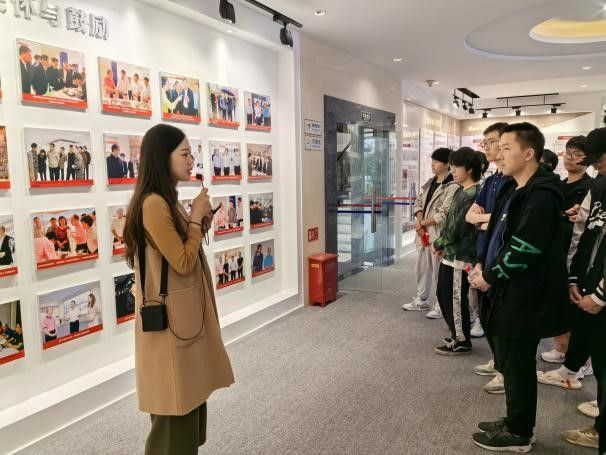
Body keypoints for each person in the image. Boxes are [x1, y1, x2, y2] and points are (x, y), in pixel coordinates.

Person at [122, 123, 234, 454]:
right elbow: (183, 261)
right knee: (175, 411)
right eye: (184, 154)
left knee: (187, 406)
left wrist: (199, 222)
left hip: (183, 319)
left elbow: (181, 250)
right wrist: (196, 217)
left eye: (191, 154)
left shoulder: (165, 200)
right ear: (162, 157)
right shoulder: (153, 204)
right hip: (172, 323)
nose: (191, 160)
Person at [469, 123, 569, 452]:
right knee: (512, 363)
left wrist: (490, 276)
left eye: (506, 147)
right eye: (498, 147)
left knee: (518, 363)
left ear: (528, 153)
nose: (498, 154)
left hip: (524, 295)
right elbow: (496, 235)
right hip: (506, 290)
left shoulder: (542, 195)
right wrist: (481, 263)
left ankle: (519, 432)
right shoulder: (512, 188)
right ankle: (516, 420)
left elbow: (526, 247)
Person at [545, 128, 606, 452]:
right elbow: (583, 231)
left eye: (597, 158)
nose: (594, 165)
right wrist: (573, 278)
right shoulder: (598, 184)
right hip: (587, 280)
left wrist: (600, 295)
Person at [540, 136, 593, 366]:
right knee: (558, 300)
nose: (570, 158)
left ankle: (579, 359)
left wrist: (561, 217)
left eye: (576, 154)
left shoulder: (591, 187)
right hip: (556, 248)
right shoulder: (559, 184)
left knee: (574, 302)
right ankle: (561, 347)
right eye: (567, 152)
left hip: (577, 251)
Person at [466, 122, 510, 393]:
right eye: (486, 142)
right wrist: (484, 220)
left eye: (493, 141)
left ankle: (506, 370)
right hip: (484, 253)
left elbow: (506, 220)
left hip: (502, 258)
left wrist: (484, 220)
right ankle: (498, 360)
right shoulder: (492, 180)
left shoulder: (514, 182)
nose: (488, 147)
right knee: (486, 312)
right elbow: (470, 215)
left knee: (502, 317)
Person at [432, 148, 482, 355]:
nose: (452, 171)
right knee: (443, 294)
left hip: (461, 256)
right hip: (451, 253)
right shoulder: (461, 190)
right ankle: (457, 334)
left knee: (455, 298)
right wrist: (443, 245)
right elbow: (450, 223)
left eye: (456, 167)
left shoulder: (474, 193)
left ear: (469, 169)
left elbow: (458, 226)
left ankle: (461, 339)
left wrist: (439, 243)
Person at [403, 148, 458, 319]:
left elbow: (444, 214)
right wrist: (420, 222)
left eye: (437, 162)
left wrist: (421, 224)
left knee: (439, 272)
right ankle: (422, 300)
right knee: (421, 268)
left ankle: (441, 305)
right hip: (424, 234)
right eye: (432, 161)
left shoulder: (453, 186)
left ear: (447, 164)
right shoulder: (430, 182)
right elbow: (418, 202)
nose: (433, 164)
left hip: (438, 235)